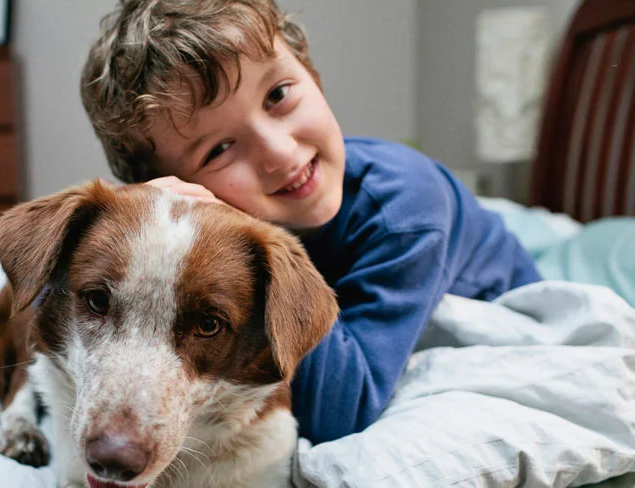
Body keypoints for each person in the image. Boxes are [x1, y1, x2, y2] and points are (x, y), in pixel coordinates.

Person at [80, 0, 542, 446]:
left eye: (277, 95)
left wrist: (264, 252)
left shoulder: (406, 213)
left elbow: (341, 411)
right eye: (219, 150)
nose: (280, 153)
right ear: (175, 188)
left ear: (312, 75)